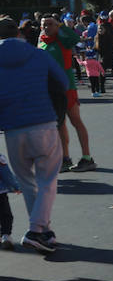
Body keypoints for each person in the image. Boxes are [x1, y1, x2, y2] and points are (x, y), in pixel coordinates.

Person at [0, 16, 67, 253]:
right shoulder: (38, 54)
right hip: (43, 122)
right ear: (19, 34)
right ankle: (36, 230)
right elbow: (62, 82)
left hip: (13, 129)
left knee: (27, 183)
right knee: (47, 180)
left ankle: (43, 231)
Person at [38, 16, 94, 172]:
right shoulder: (42, 43)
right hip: (50, 89)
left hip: (67, 87)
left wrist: (61, 25)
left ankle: (87, 158)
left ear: (56, 26)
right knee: (60, 124)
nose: (47, 27)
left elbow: (76, 38)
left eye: (50, 24)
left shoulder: (63, 41)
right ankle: (65, 158)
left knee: (75, 120)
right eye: (44, 25)